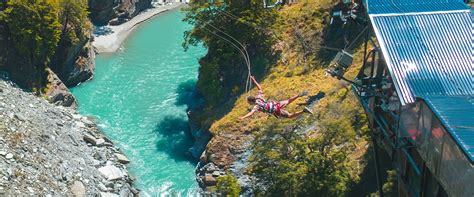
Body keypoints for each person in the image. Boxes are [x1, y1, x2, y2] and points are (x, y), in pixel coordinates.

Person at [240, 76, 313, 119]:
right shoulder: (259, 98)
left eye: (248, 102)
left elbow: (251, 113)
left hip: (275, 110)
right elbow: (259, 88)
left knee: (289, 116)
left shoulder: (256, 106)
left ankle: (304, 111)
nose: (248, 103)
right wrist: (254, 80)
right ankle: (298, 95)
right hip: (276, 104)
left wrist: (243, 117)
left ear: (251, 101)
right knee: (288, 101)